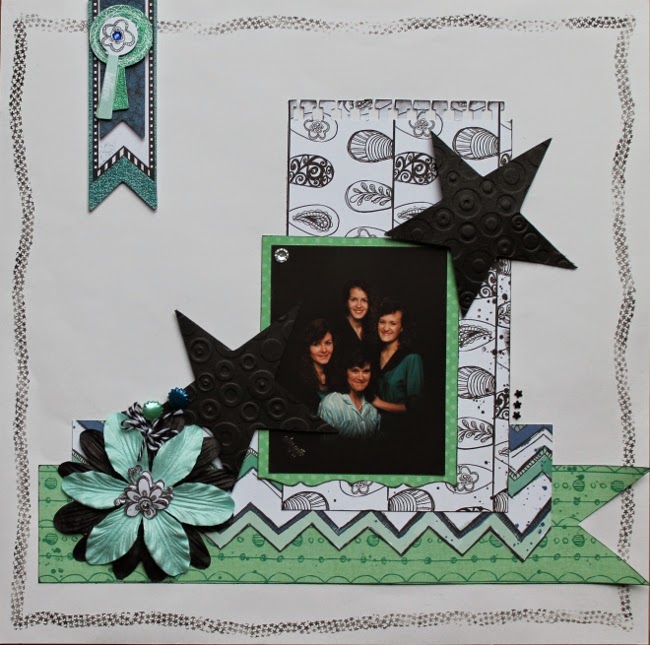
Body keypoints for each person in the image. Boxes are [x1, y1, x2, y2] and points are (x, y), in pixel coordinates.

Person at [372, 298, 423, 414]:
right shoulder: (374, 354)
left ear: (402, 328)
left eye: (393, 323)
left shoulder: (412, 359)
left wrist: (379, 403)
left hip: (400, 424)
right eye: (382, 322)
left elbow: (414, 408)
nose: (386, 328)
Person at [317, 350, 380, 438]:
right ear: (345, 372)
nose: (361, 377)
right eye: (355, 371)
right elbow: (324, 444)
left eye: (366, 371)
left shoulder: (373, 410)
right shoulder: (330, 404)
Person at [291, 319, 335, 412]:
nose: (324, 350)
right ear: (308, 348)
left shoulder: (339, 375)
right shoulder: (298, 380)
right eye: (316, 344)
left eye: (328, 343)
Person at [333, 280, 374, 362]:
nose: (359, 305)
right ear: (347, 302)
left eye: (364, 300)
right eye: (354, 299)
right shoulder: (335, 331)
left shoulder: (373, 329)